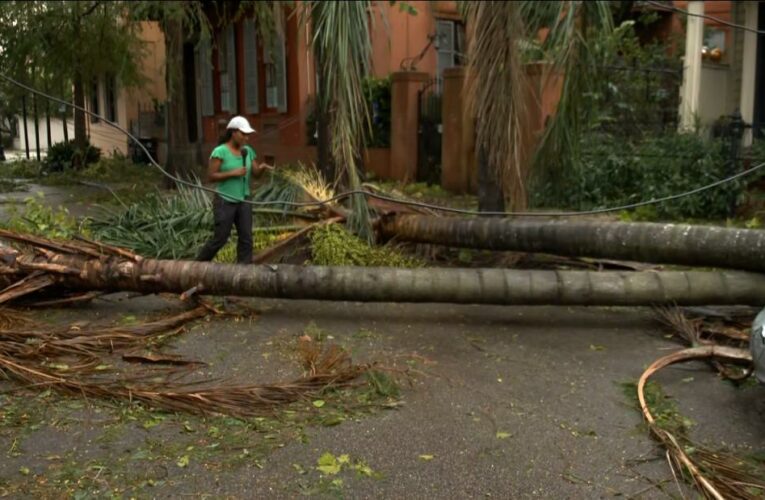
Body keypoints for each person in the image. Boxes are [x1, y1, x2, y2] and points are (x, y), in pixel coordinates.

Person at [196, 116, 271, 264]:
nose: (246, 138)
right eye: (243, 134)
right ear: (233, 133)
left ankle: (243, 273)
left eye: (248, 135)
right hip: (225, 201)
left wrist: (262, 168)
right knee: (221, 238)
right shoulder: (220, 151)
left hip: (244, 199)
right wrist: (232, 173)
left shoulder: (248, 151)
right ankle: (197, 265)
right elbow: (210, 176)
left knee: (246, 238)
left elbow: (255, 173)